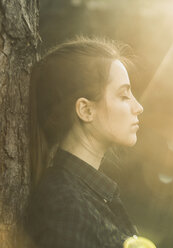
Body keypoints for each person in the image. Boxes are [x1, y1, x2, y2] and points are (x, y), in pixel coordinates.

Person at [25, 36, 145, 248]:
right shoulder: (64, 206)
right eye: (124, 95)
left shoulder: (94, 196)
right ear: (86, 110)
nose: (138, 107)